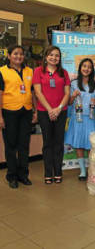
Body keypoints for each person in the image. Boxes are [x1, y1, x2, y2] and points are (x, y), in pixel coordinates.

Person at [0, 45, 37, 188]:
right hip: (9, 112)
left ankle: (23, 175)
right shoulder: (2, 71)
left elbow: (32, 92)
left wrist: (35, 111)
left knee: (24, 145)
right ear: (9, 56)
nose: (18, 57)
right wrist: (0, 117)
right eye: (15, 54)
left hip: (26, 111)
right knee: (11, 146)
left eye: (21, 54)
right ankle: (12, 176)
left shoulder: (29, 71)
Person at [33, 46, 70, 184]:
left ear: (59, 58)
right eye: (51, 55)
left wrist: (58, 109)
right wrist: (50, 110)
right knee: (47, 143)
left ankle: (58, 172)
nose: (54, 58)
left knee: (58, 143)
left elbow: (67, 93)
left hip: (61, 111)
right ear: (46, 56)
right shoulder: (38, 71)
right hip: (44, 112)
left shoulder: (63, 73)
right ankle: (48, 173)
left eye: (57, 56)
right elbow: (38, 93)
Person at [64, 58, 95, 181]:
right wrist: (73, 96)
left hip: (89, 118)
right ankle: (83, 171)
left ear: (92, 70)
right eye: (84, 66)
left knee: (90, 145)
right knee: (79, 144)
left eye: (89, 67)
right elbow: (68, 102)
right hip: (77, 118)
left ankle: (91, 170)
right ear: (80, 68)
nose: (86, 69)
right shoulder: (73, 84)